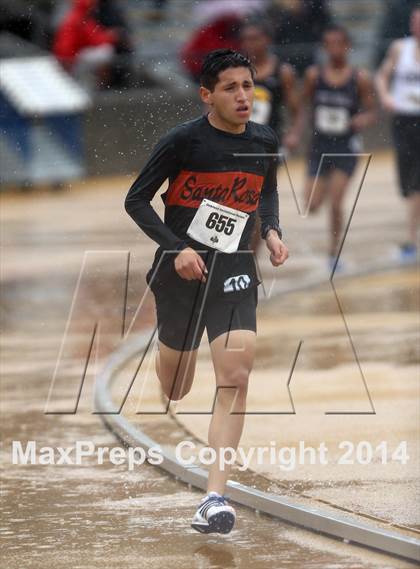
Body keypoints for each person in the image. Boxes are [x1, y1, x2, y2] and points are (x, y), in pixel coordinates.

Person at [125, 49, 288, 534]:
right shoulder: (182, 142)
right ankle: (172, 352)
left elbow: (267, 190)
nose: (243, 96)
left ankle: (214, 497)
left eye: (248, 86)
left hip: (234, 268)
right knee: (177, 387)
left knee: (235, 375)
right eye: (231, 88)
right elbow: (135, 199)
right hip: (181, 273)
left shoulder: (263, 139)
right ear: (206, 96)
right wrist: (175, 248)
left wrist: (273, 230)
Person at [300, 25, 376, 271]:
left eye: (338, 43)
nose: (334, 49)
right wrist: (299, 131)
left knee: (336, 202)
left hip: (345, 146)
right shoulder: (314, 75)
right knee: (311, 205)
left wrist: (362, 119)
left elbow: (371, 109)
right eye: (329, 44)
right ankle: (320, 197)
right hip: (320, 145)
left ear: (347, 46)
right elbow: (304, 105)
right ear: (323, 48)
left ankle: (333, 253)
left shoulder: (359, 77)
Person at [240, 19, 301, 252]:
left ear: (267, 39)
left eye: (255, 38)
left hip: (266, 147)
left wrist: (293, 134)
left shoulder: (282, 72)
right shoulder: (236, 71)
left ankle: (249, 256)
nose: (250, 43)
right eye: (246, 39)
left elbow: (297, 110)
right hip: (236, 143)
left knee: (254, 204)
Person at [376, 6, 420, 263]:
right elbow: (381, 76)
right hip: (404, 119)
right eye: (415, 21)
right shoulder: (399, 49)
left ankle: (411, 238)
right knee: (409, 179)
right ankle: (412, 238)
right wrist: (385, 97)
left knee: (417, 181)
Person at [53, 0, 120, 90]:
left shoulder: (76, 17)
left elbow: (94, 37)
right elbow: (96, 39)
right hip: (71, 61)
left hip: (70, 61)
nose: (93, 7)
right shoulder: (79, 19)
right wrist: (111, 37)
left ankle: (96, 89)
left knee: (82, 86)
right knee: (106, 51)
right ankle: (102, 87)